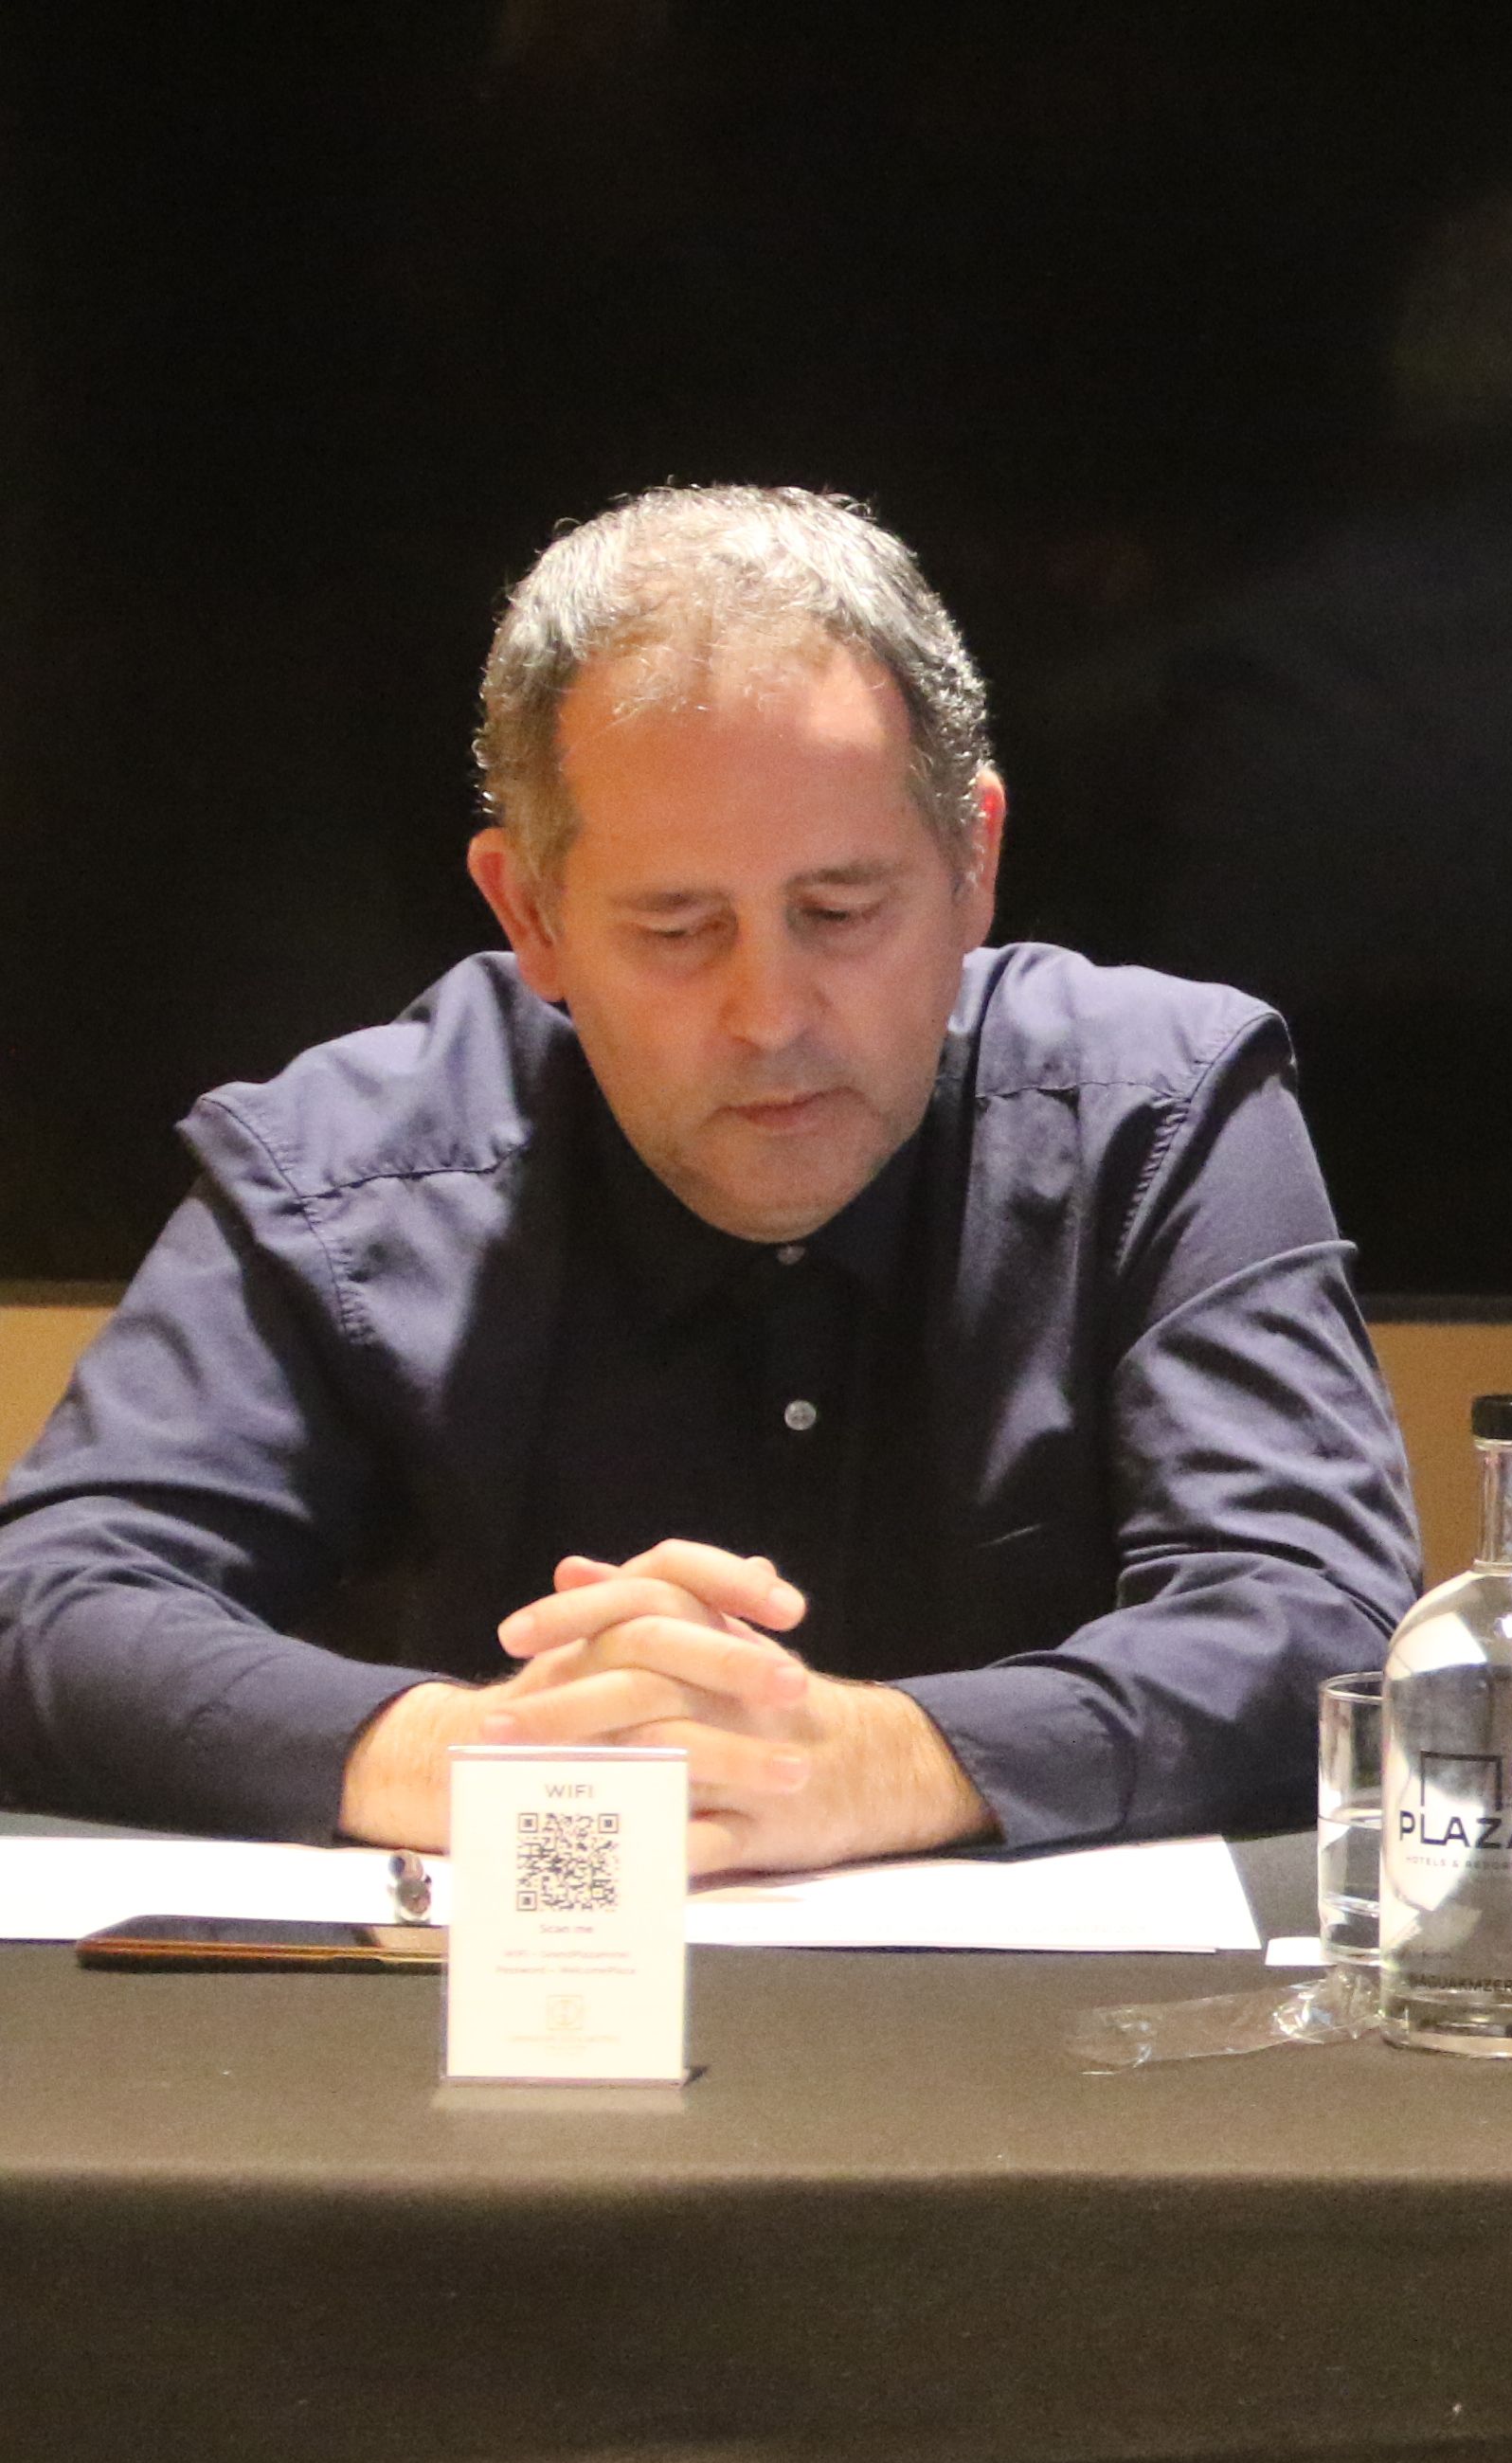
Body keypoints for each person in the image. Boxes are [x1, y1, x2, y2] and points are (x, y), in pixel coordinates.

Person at [0, 487, 1416, 1868]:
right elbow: (47, 1605)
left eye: (839, 912)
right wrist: (470, 1755)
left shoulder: (1158, 1111)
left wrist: (884, 1759)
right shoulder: (347, 1169)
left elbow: (1319, 1614)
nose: (771, 1015)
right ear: (532, 915)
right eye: (678, 929)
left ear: (974, 862)